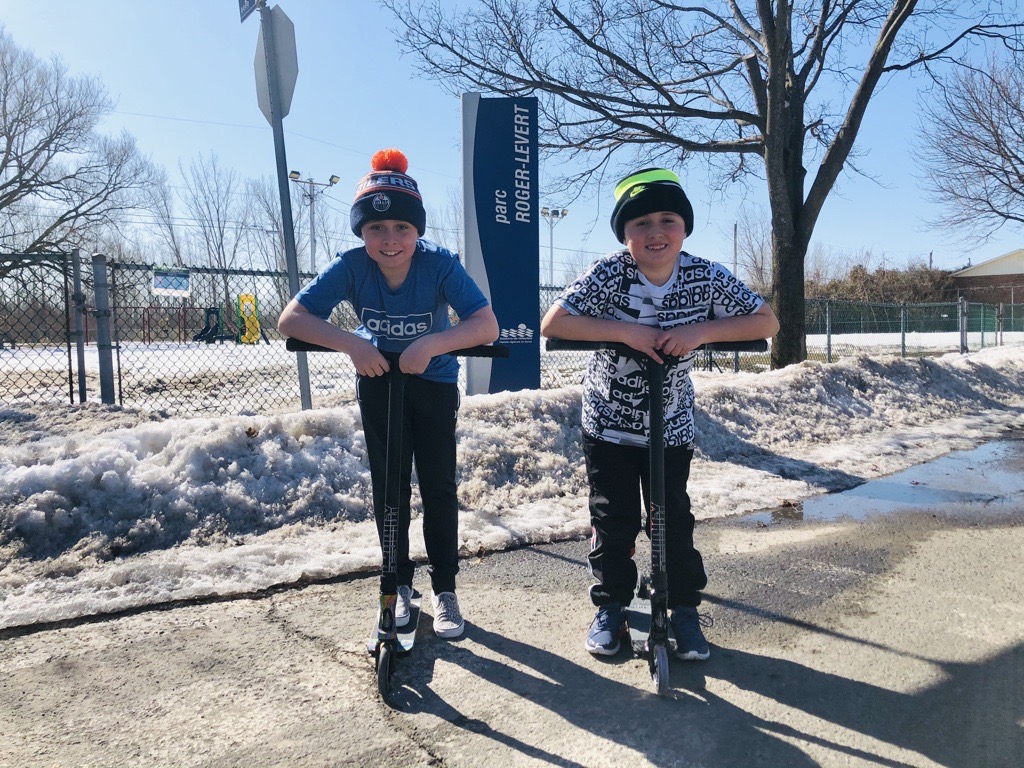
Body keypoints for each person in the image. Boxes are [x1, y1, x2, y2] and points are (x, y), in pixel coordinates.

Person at [540, 167, 779, 660]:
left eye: (668, 220)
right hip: (608, 423)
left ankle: (683, 608)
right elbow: (555, 322)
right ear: (624, 233)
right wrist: (626, 332)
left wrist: (700, 332)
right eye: (640, 223)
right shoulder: (610, 273)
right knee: (614, 518)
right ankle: (611, 607)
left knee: (673, 519)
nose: (655, 233)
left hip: (669, 424)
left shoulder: (704, 274)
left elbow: (766, 320)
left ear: (684, 228)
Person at [278, 148, 499, 639]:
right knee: (389, 485)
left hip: (434, 383)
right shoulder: (353, 266)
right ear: (361, 232)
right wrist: (354, 345)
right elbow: (292, 319)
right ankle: (397, 583)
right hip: (378, 379)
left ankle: (446, 589)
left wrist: (434, 343)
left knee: (438, 485)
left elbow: (485, 325)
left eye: (402, 227)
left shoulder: (439, 265)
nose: (390, 239)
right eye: (376, 229)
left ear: (417, 230)